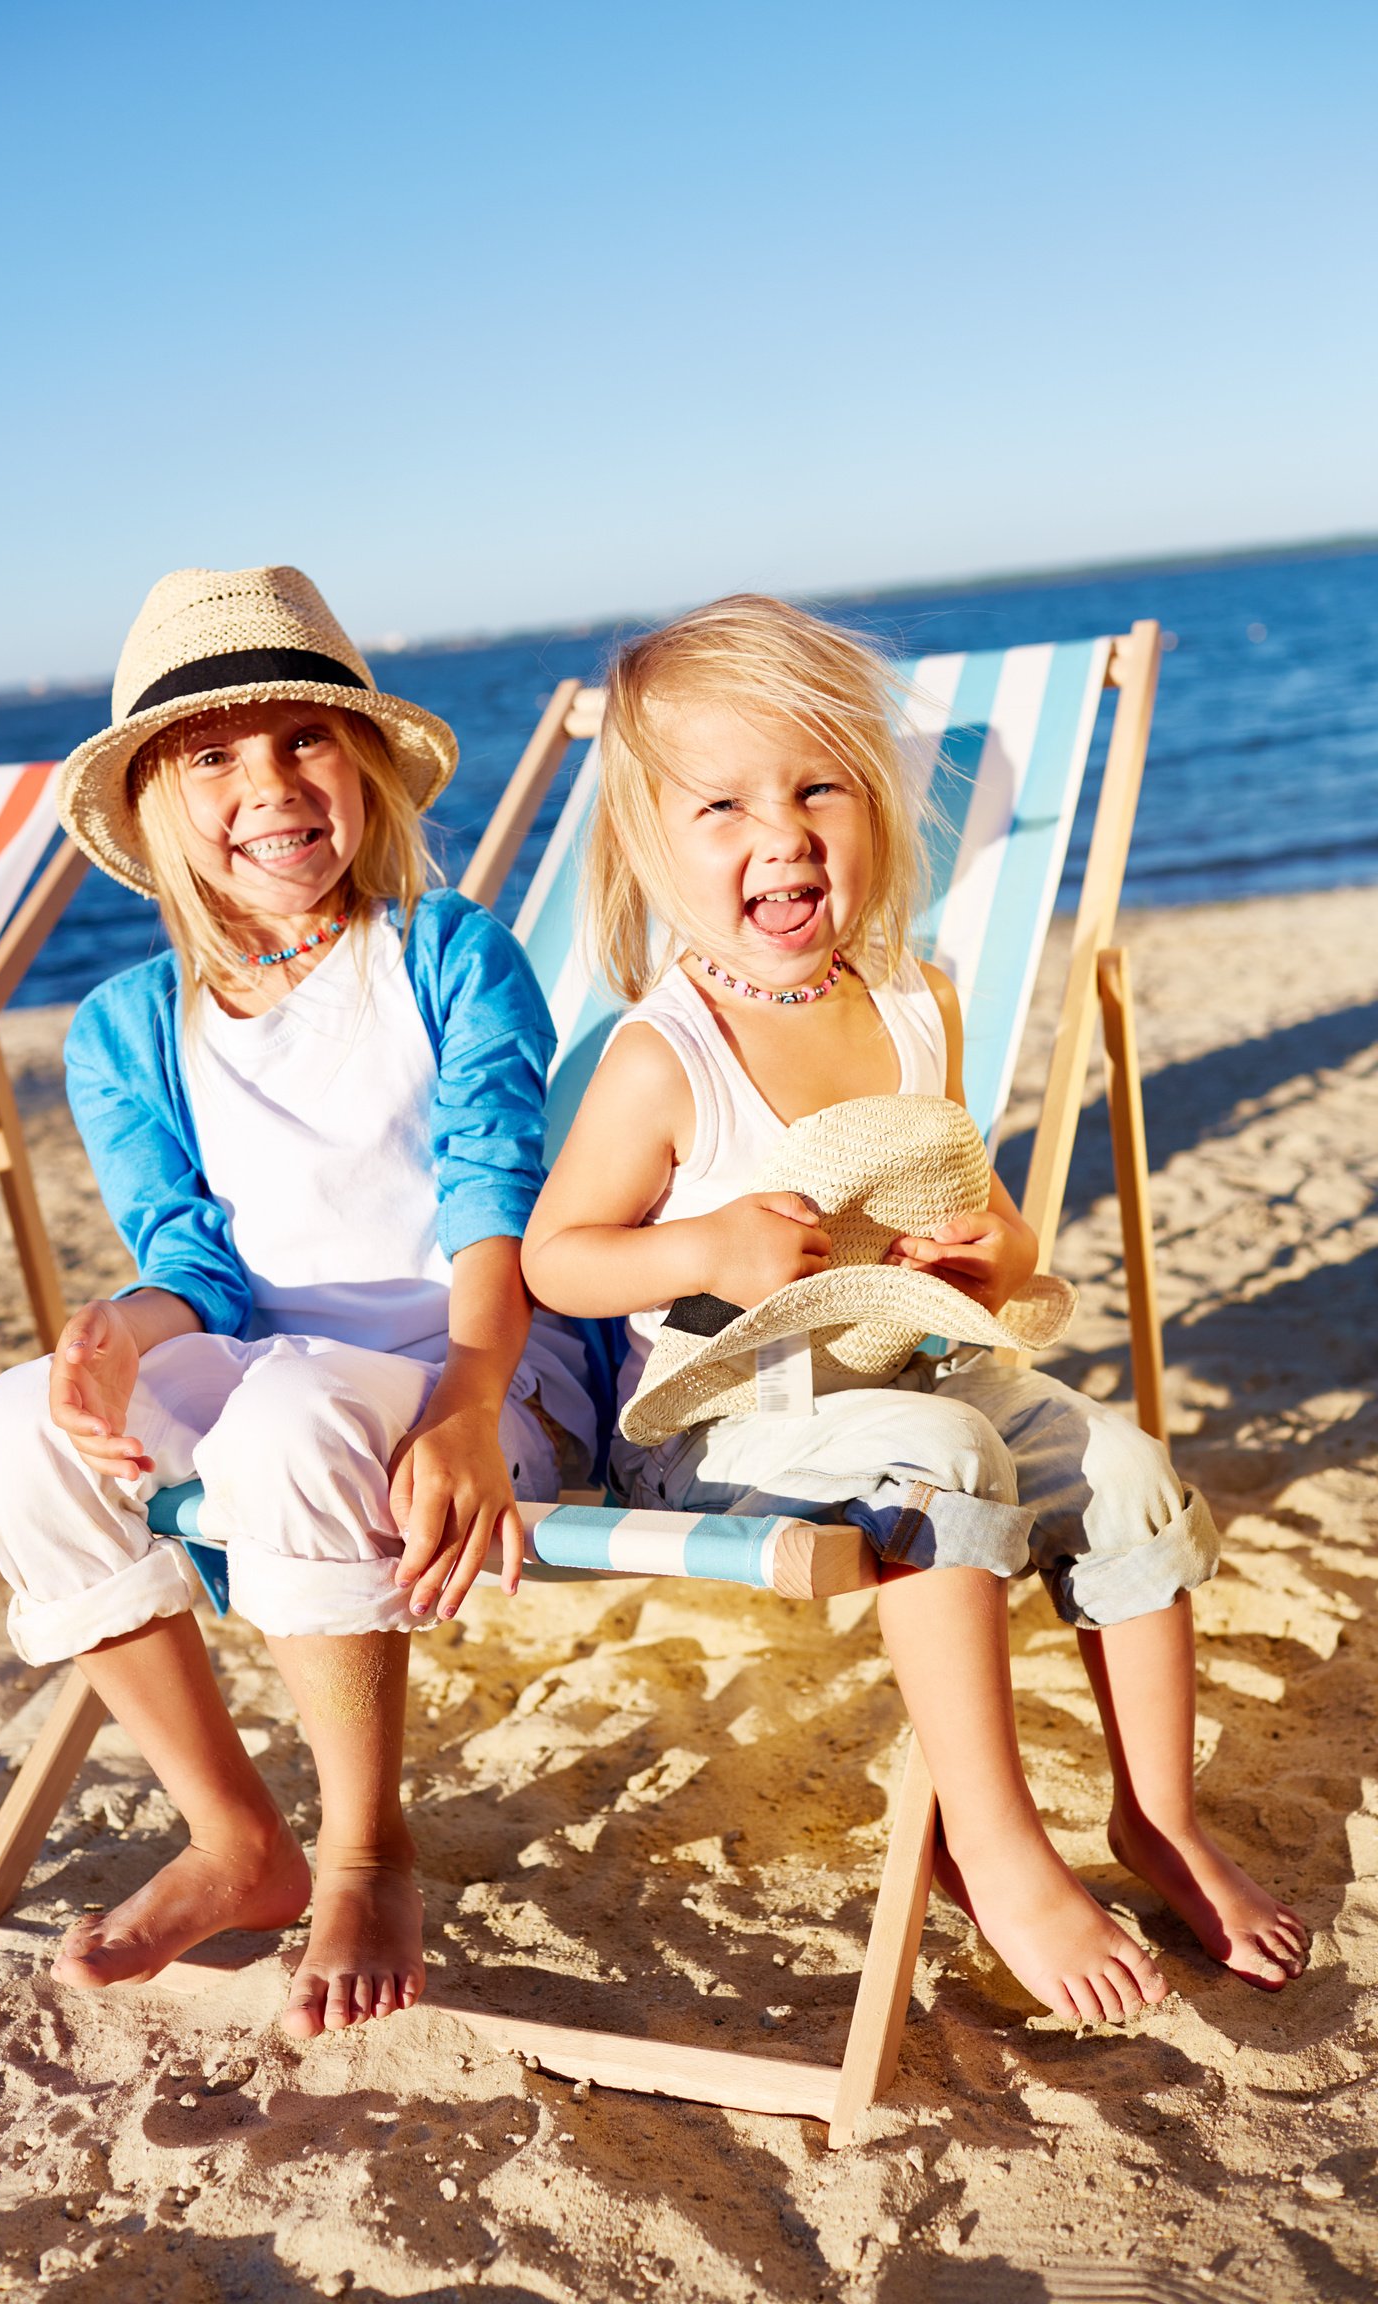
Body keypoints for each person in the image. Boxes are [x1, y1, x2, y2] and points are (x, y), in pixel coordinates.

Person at [522, 593, 1308, 2023]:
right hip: (720, 1423)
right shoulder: (664, 1059)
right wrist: (700, 1244)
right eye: (724, 806)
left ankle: (1159, 1818)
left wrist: (987, 1258)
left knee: (1124, 1466)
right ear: (647, 846)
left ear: (876, 805)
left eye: (820, 784)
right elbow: (557, 1260)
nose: (785, 833)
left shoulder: (914, 1004)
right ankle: (995, 1843)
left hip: (913, 1362)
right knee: (950, 1463)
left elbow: (983, 1208)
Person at [0, 565, 594, 2034]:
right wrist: (126, 1331)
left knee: (291, 1416)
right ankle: (238, 1836)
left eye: (304, 739)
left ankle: (368, 1844)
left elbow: (496, 1198)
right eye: (215, 756)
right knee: (6, 1436)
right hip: (269, 1364)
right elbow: (196, 1265)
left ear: (361, 766)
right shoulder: (125, 1026)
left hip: (474, 1374)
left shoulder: (444, 955)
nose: (270, 784)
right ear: (162, 804)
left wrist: (476, 1404)